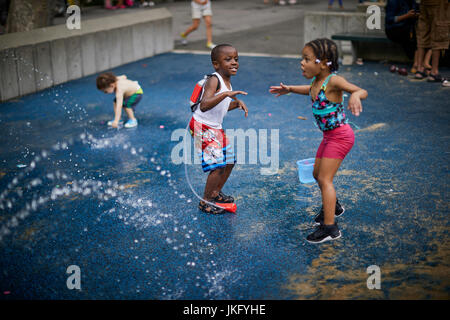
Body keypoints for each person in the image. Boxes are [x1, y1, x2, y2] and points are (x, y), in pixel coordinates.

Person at [269, 38, 368, 244]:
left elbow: (360, 90)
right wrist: (290, 89)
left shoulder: (334, 81)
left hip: (340, 137)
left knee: (325, 179)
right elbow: (310, 90)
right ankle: (335, 207)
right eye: (302, 58)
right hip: (329, 136)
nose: (302, 63)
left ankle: (330, 228)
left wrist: (356, 96)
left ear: (323, 63)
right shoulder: (317, 82)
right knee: (316, 174)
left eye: (306, 59)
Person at [189, 44, 248, 214]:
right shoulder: (214, 79)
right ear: (216, 64)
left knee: (229, 160)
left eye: (236, 59)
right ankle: (205, 202)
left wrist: (235, 104)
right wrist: (226, 95)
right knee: (217, 166)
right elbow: (205, 105)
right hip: (202, 126)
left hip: (215, 127)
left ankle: (215, 193)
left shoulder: (227, 81)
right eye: (228, 59)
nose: (234, 62)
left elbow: (218, 107)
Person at [415, 0, 449, 82]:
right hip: (440, 2)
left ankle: (420, 69)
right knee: (439, 31)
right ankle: (434, 72)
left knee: (423, 32)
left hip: (424, 2)